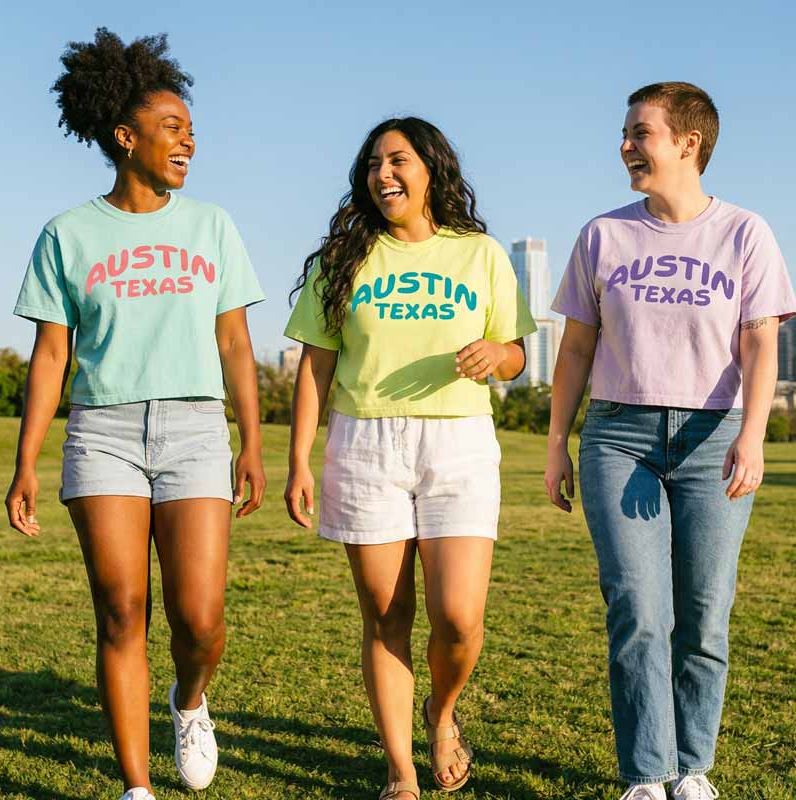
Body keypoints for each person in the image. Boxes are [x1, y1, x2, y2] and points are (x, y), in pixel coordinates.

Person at [5, 28, 266, 800]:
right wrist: (26, 461)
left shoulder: (212, 226)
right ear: (126, 137)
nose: (189, 140)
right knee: (121, 610)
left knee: (199, 619)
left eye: (190, 129)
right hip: (103, 432)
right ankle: (136, 787)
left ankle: (189, 700)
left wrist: (252, 442)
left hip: (194, 428)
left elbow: (235, 343)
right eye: (172, 128)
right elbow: (52, 357)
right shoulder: (68, 233)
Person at [544, 82, 795, 800]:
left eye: (639, 132)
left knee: (705, 611)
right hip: (618, 434)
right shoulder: (603, 235)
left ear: (688, 142)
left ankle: (693, 768)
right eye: (625, 133)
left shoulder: (745, 232)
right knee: (637, 609)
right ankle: (647, 775)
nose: (625, 145)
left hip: (712, 435)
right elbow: (573, 352)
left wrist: (754, 436)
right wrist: (558, 441)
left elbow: (759, 341)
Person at [284, 117, 536, 800]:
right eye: (372, 163)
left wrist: (498, 356)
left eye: (396, 160)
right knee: (386, 616)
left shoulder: (479, 253)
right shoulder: (344, 258)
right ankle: (400, 773)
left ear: (431, 169)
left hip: (457, 441)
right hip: (364, 440)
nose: (382, 174)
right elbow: (316, 366)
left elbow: (515, 353)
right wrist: (300, 459)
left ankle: (441, 711)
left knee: (459, 617)